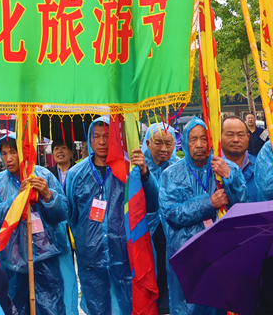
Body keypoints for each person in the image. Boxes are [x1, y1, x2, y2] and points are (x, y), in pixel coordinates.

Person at [64, 116, 158, 315]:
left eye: (107, 136)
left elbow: (152, 204)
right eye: (96, 136)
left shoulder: (128, 169)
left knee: (128, 307)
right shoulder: (76, 174)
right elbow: (71, 215)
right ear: (89, 140)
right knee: (97, 307)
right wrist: (85, 240)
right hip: (91, 260)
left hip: (124, 256)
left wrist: (144, 173)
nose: (101, 142)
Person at [160, 117, 248, 315]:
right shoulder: (171, 174)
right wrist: (209, 203)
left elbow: (243, 207)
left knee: (221, 305)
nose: (199, 144)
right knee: (187, 308)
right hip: (186, 258)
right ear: (185, 141)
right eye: (193, 139)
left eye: (203, 138)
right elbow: (171, 213)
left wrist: (230, 178)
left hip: (221, 254)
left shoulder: (225, 168)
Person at [0, 134, 77, 315]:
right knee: (17, 306)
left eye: (13, 152)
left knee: (51, 306)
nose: (8, 158)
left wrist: (48, 195)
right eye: (4, 153)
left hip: (47, 258)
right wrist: (17, 198)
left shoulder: (43, 175)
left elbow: (63, 212)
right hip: (14, 260)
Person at [142, 122, 180, 314]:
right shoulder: (137, 168)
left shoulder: (179, 168)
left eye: (168, 143)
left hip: (172, 233)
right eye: (158, 142)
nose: (164, 148)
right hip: (145, 234)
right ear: (148, 143)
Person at [221, 115, 258, 201]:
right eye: (230, 135)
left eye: (240, 135)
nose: (236, 139)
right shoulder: (210, 167)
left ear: (248, 137)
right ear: (219, 137)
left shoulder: (260, 166)